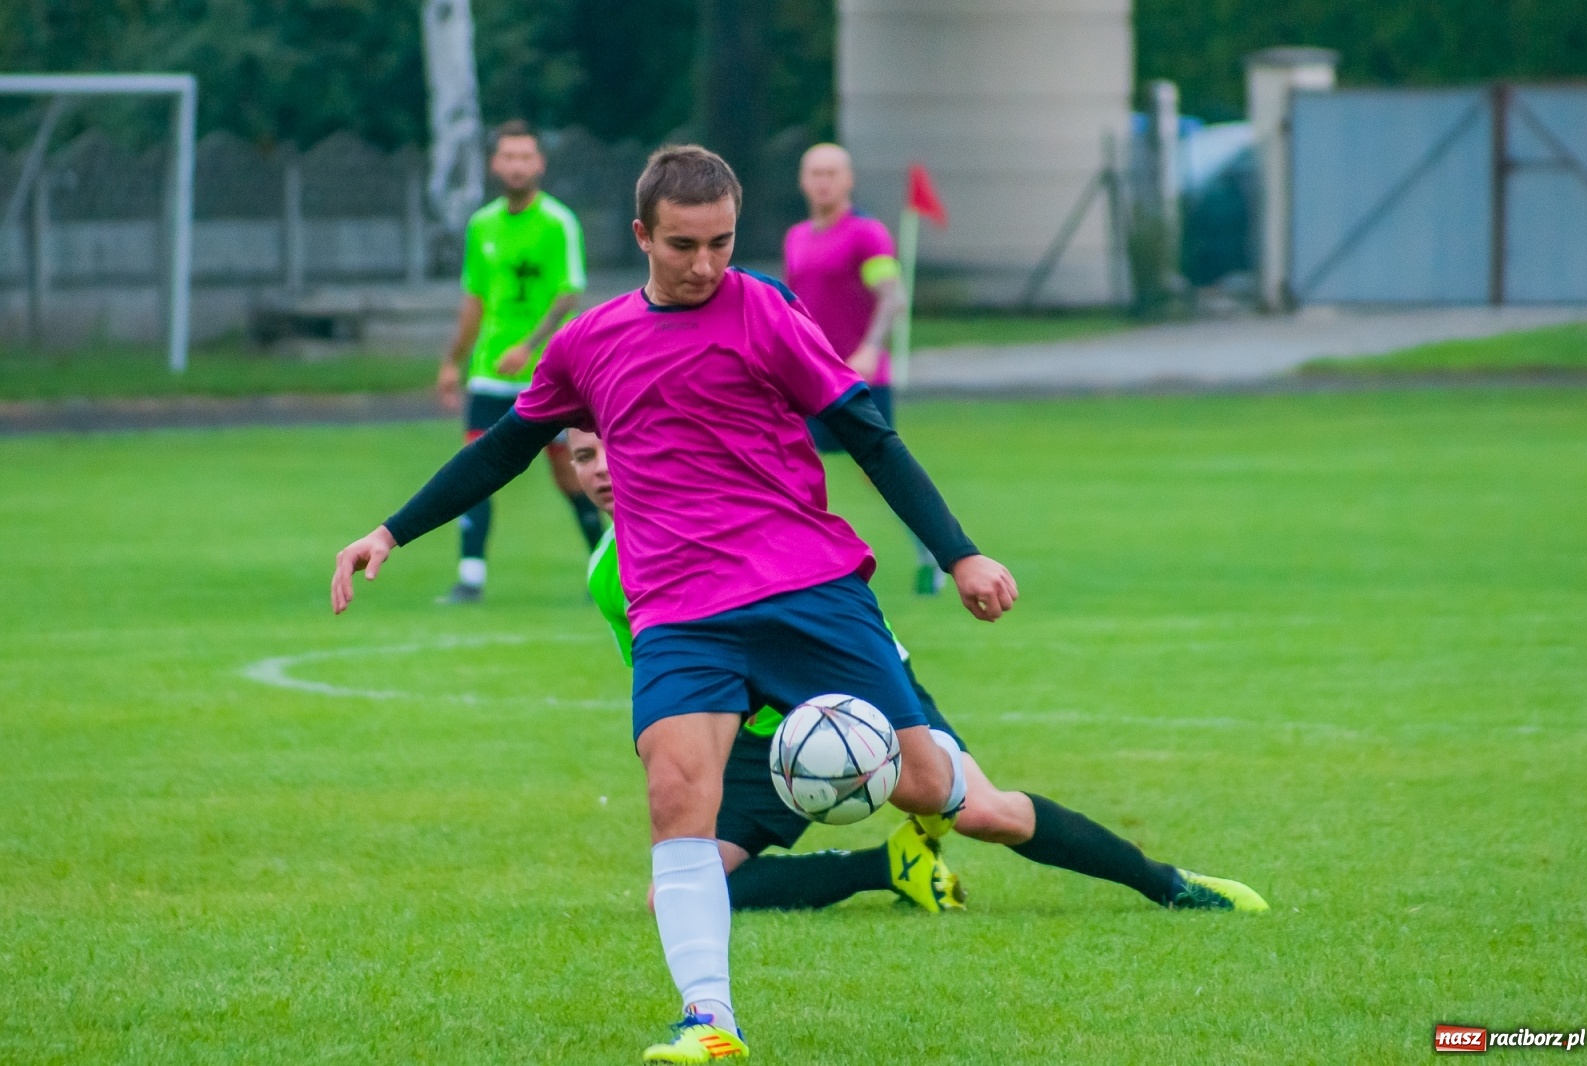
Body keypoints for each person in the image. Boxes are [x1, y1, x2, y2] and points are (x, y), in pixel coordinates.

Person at [332, 144, 1017, 1064]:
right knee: (675, 796)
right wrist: (390, 531)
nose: (705, 265)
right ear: (642, 236)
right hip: (679, 610)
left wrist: (960, 553)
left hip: (804, 586)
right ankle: (710, 1021)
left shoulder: (766, 312)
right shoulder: (590, 342)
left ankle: (950, 817)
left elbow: (869, 436)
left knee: (929, 782)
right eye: (685, 245)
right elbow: (501, 448)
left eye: (722, 242)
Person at [569, 427, 1268, 916]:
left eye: (610, 447)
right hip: (759, 737)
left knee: (986, 815)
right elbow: (678, 691)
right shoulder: (607, 573)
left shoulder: (732, 515)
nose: (599, 469)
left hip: (850, 699)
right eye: (581, 456)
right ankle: (889, 869)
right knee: (679, 890)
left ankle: (1168, 884)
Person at [434, 119, 603, 604]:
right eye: (508, 157)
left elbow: (569, 292)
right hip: (489, 374)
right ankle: (471, 577)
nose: (517, 165)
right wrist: (453, 361)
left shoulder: (557, 222)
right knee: (474, 468)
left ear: (540, 164)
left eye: (525, 157)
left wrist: (529, 346)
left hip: (550, 375)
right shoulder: (482, 224)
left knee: (571, 474)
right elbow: (474, 300)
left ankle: (606, 563)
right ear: (495, 164)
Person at [783, 143, 943, 595]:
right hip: (809, 379)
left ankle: (932, 551)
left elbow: (892, 295)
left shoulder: (865, 235)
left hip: (858, 381)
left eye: (832, 172)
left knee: (881, 474)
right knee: (785, 467)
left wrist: (871, 348)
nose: (823, 181)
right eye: (815, 172)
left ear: (848, 180)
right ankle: (797, 568)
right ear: (802, 180)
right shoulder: (796, 237)